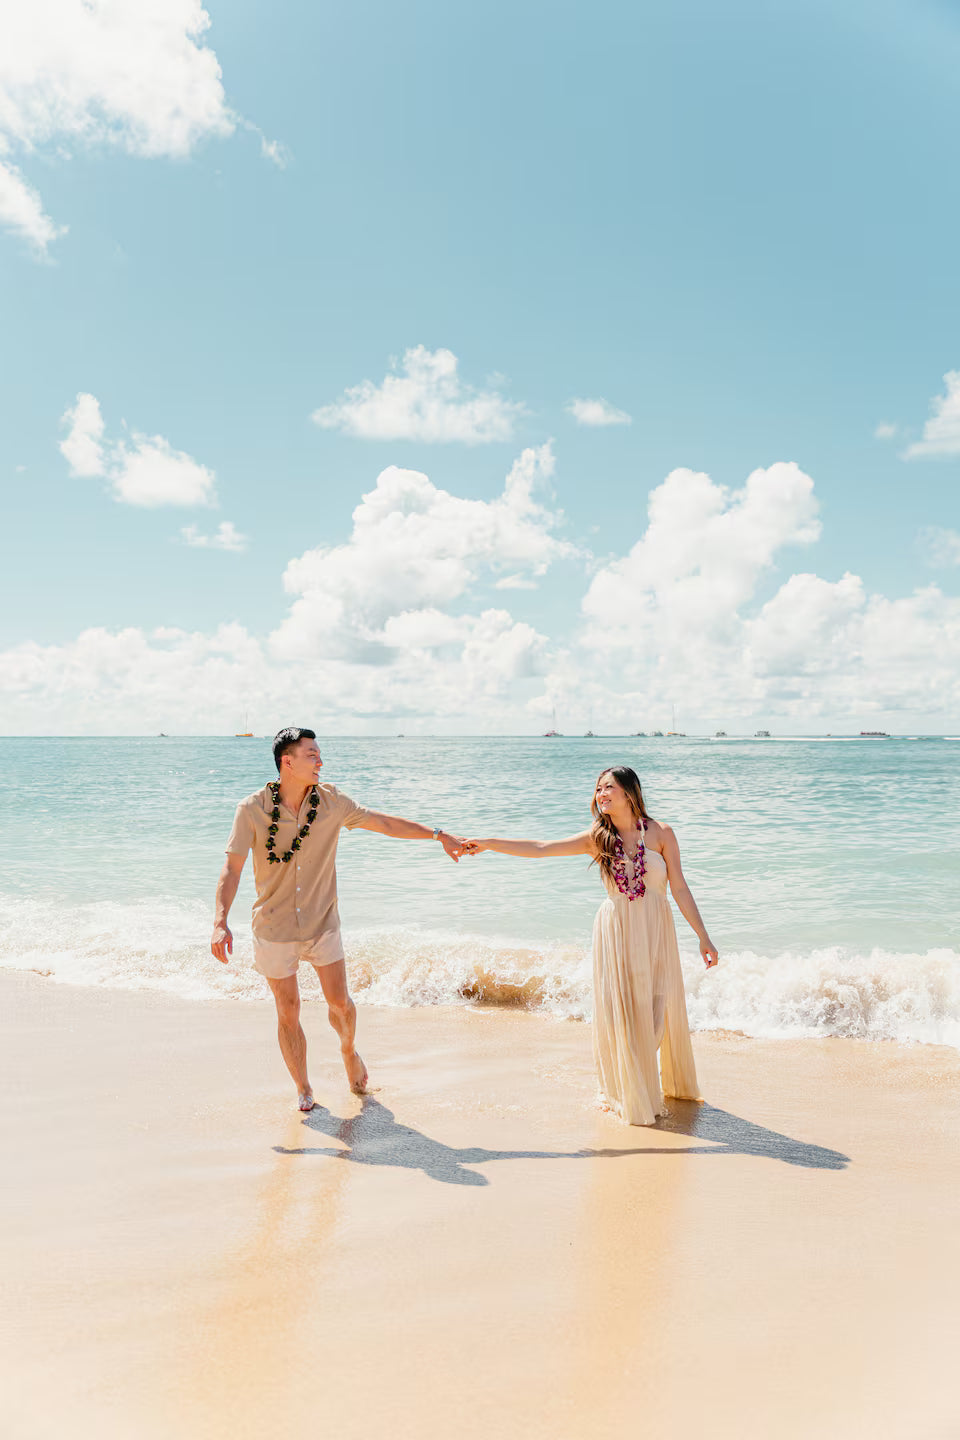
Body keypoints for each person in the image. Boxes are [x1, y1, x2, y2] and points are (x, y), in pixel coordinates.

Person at [211, 727, 465, 1111]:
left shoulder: (332, 802)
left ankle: (348, 1051)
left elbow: (384, 823)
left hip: (322, 924)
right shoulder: (251, 809)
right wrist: (220, 920)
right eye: (312, 754)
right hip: (273, 927)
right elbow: (232, 868)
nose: (320, 761)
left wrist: (438, 834)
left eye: (319, 754)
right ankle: (303, 1087)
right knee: (287, 1010)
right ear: (288, 762)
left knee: (340, 1004)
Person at [463, 766, 718, 1125]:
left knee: (656, 1013)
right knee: (625, 1016)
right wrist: (490, 842)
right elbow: (540, 848)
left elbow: (678, 886)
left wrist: (703, 936)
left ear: (629, 792)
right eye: (598, 789)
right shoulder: (596, 837)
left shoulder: (661, 833)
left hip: (657, 930)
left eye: (609, 787)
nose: (601, 794)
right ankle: (629, 1093)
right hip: (616, 930)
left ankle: (640, 1082)